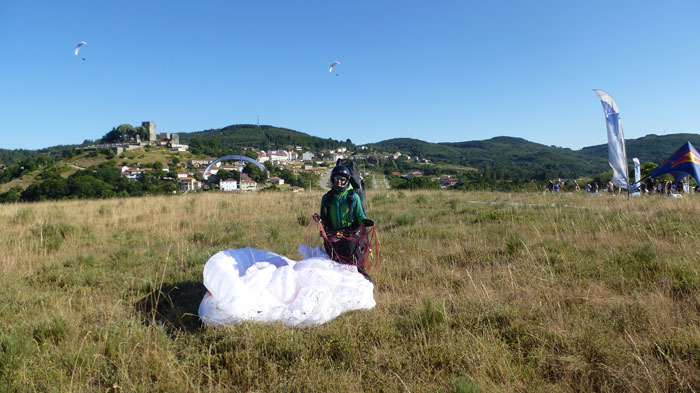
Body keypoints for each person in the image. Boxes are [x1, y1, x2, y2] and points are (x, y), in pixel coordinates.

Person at [319, 165, 374, 279]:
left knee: (356, 267)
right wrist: (319, 220)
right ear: (332, 180)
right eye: (337, 179)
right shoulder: (327, 198)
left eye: (342, 180)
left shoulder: (353, 197)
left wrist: (364, 221)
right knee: (336, 267)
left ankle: (363, 289)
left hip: (351, 238)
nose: (339, 182)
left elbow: (359, 214)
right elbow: (324, 217)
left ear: (346, 180)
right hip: (334, 238)